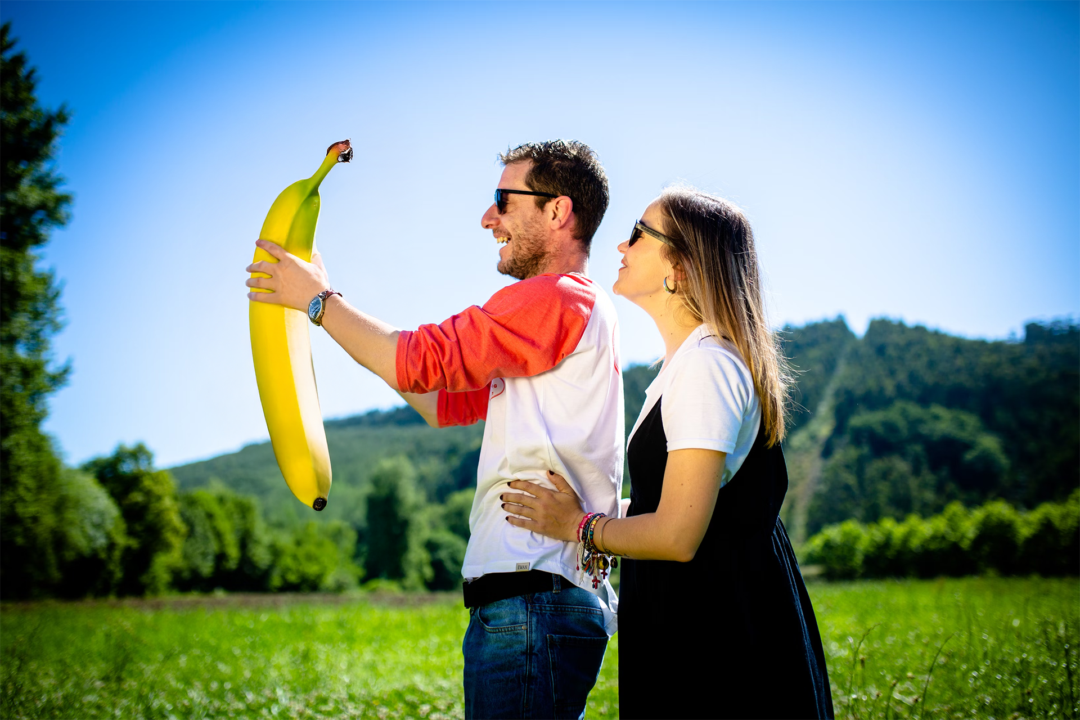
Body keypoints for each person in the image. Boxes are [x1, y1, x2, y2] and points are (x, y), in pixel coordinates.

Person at [245, 140, 623, 719]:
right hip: (530, 603)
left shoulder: (555, 297)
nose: (487, 216)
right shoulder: (560, 316)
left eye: (504, 199)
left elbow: (421, 358)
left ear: (556, 211)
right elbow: (436, 399)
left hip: (531, 602)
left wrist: (319, 302)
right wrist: (325, 308)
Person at [499, 186, 835, 719]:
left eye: (638, 233)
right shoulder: (684, 367)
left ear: (677, 265)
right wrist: (609, 513)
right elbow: (696, 509)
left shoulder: (708, 366)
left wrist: (580, 526)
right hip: (701, 625)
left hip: (718, 646)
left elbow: (679, 535)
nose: (620, 247)